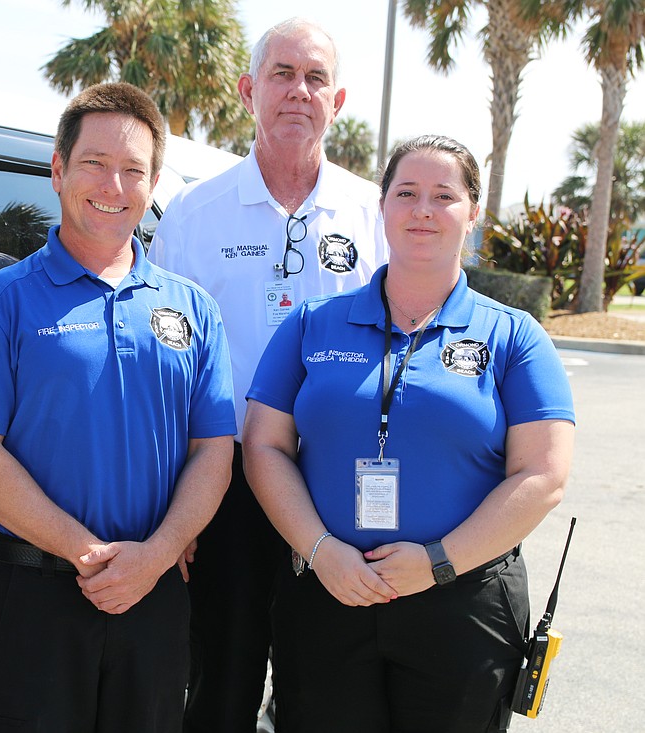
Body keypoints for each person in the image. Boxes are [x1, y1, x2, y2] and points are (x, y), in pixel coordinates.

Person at [242, 135, 575, 732]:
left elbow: (543, 475)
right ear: (382, 206)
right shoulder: (313, 324)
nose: (423, 210)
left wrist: (438, 563)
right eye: (407, 193)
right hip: (329, 594)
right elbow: (264, 446)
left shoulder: (515, 337)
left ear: (473, 213)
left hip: (462, 602)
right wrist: (321, 551)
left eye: (444, 195)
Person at [0, 82, 236, 732]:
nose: (113, 184)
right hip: (34, 597)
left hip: (155, 594)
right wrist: (90, 554)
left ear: (153, 184)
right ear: (58, 169)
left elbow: (214, 450)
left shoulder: (194, 309)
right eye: (95, 162)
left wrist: (158, 554)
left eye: (133, 169)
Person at [146, 17, 388, 731]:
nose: (298, 92)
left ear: (337, 102)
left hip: (340, 488)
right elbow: (167, 368)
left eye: (315, 79)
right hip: (227, 486)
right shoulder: (195, 213)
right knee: (224, 680)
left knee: (327, 686)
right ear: (250, 90)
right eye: (282, 74)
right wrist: (176, 507)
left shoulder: (373, 210)